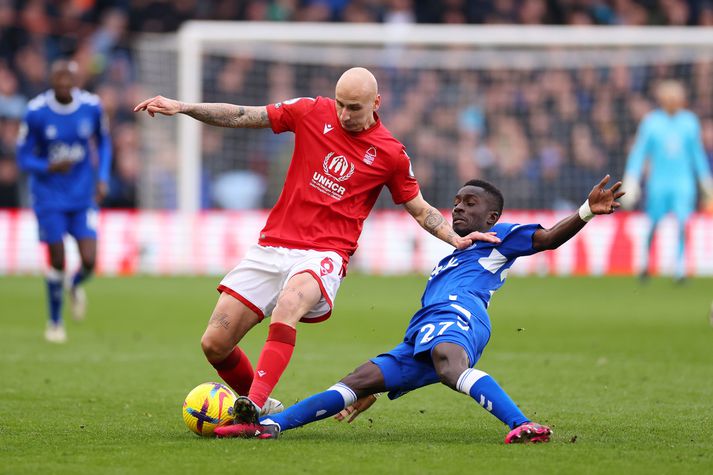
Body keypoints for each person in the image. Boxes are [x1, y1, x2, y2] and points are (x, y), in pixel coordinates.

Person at [133, 67, 490, 420]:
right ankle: (261, 405)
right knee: (214, 344)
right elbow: (244, 115)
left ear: (376, 103)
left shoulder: (391, 153)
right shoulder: (310, 110)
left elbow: (419, 207)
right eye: (340, 104)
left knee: (290, 302)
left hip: (325, 254)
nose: (344, 114)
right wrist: (183, 106)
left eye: (354, 107)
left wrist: (454, 238)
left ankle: (254, 402)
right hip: (272, 246)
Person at [214, 174, 625, 443]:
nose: (459, 208)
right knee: (359, 380)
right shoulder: (449, 257)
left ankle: (523, 424)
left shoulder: (500, 235)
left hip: (459, 317)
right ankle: (267, 426)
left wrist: (586, 211)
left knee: (449, 364)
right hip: (421, 332)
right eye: (457, 202)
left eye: (470, 203)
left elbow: (549, 238)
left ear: (493, 215)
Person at [16, 59, 112, 343]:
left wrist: (103, 177)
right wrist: (48, 167)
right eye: (58, 78)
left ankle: (74, 284)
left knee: (90, 260)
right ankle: (55, 321)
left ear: (75, 80)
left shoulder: (92, 107)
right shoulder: (36, 112)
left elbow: (104, 143)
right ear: (51, 79)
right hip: (49, 197)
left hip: (82, 196)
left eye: (68, 78)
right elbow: (22, 157)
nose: (63, 83)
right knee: (57, 258)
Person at [621, 80, 713, 282]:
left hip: (683, 183)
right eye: (668, 98)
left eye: (675, 98)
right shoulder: (652, 122)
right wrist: (632, 177)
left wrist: (705, 179)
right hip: (658, 183)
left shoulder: (689, 122)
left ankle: (679, 268)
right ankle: (644, 263)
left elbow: (697, 153)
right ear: (662, 99)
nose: (672, 102)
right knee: (653, 223)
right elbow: (639, 153)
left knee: (682, 223)